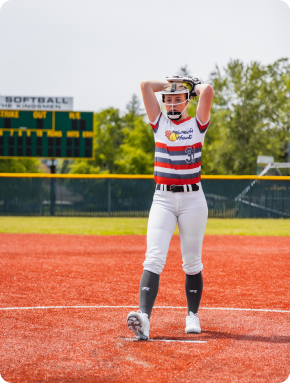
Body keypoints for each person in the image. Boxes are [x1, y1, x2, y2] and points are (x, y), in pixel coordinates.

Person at [126, 75, 214, 340]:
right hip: (162, 199)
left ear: (187, 101)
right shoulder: (159, 123)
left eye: (178, 100)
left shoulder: (198, 125)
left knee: (192, 262)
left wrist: (190, 84)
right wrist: (171, 83)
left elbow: (207, 90)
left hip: (193, 200)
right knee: (153, 257)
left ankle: (192, 315)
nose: (172, 105)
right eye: (168, 100)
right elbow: (145, 86)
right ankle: (143, 318)